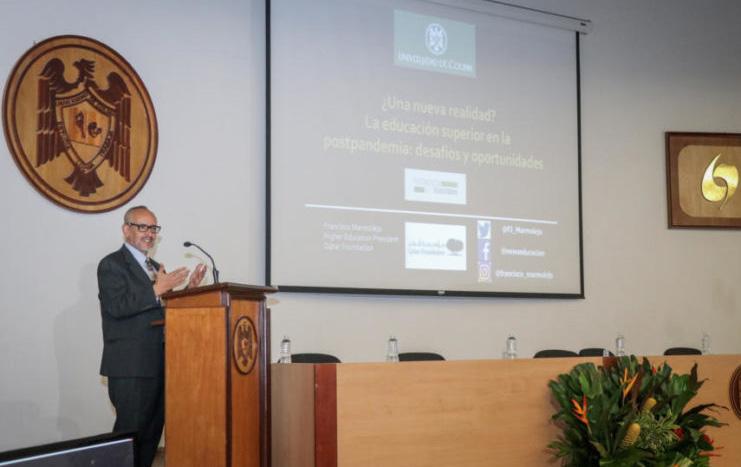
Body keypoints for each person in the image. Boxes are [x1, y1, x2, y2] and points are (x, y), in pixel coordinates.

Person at [97, 205, 206, 467]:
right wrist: (157, 289)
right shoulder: (111, 264)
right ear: (126, 230)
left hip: (160, 364)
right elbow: (116, 307)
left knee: (150, 438)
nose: (150, 233)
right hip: (131, 366)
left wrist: (189, 291)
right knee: (128, 439)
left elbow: (165, 311)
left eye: (153, 228)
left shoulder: (156, 267)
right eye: (142, 227)